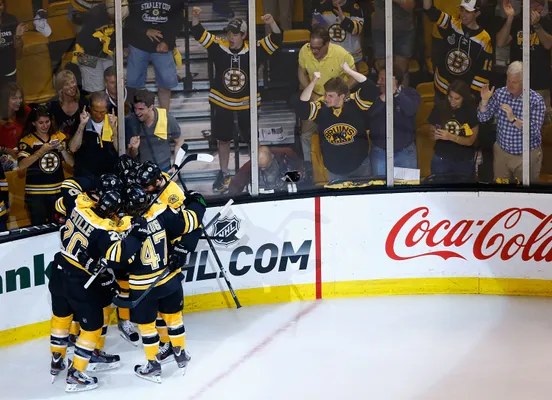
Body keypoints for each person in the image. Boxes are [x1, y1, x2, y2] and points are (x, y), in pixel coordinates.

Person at [55, 189, 148, 392]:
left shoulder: (80, 206)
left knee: (78, 315)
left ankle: (79, 357)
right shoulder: (103, 230)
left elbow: (68, 200)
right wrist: (137, 236)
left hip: (62, 270)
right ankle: (75, 375)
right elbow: (118, 254)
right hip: (79, 280)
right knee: (92, 327)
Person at [191, 8, 283, 193]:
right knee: (223, 140)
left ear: (244, 35)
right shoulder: (219, 47)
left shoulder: (255, 49)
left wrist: (272, 22)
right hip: (222, 102)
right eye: (229, 33)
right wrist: (195, 17)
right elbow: (198, 33)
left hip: (247, 103)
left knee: (252, 141)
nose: (231, 37)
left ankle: (258, 170)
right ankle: (224, 173)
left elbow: (277, 39)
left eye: (235, 34)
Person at [121, 185, 206, 383]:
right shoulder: (161, 212)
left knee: (147, 326)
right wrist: (196, 204)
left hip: (143, 286)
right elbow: (190, 223)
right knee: (174, 318)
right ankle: (180, 354)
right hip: (167, 278)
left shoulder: (124, 224)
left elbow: (119, 258)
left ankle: (152, 365)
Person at [292, 63, 379, 182]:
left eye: (330, 96)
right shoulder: (321, 108)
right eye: (326, 95)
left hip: (360, 166)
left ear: (342, 96)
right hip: (334, 169)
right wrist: (312, 83)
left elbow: (371, 88)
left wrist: (350, 71)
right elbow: (301, 109)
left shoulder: (355, 104)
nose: (326, 98)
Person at [297, 27, 356, 180]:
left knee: (339, 131)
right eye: (312, 47)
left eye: (318, 48)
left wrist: (340, 93)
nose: (314, 51)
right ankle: (309, 167)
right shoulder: (305, 50)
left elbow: (354, 76)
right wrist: (310, 92)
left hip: (336, 102)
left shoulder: (341, 54)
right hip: (316, 99)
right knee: (306, 134)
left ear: (327, 44)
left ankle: (343, 162)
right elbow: (301, 72)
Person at [477, 61, 545, 183]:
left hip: (526, 155)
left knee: (525, 194)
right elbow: (483, 118)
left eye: (514, 82)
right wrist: (484, 102)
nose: (509, 85)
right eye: (508, 81)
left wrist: (514, 119)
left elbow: (534, 131)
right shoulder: (500, 93)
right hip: (502, 153)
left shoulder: (536, 101)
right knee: (500, 190)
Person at [422, 0, 493, 100]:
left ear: (477, 13)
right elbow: (429, 10)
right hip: (442, 87)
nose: (463, 15)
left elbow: (483, 72)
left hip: (463, 95)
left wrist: (471, 96)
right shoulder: (452, 24)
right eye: (462, 10)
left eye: (467, 12)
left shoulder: (484, 39)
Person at [18, 106, 75, 225]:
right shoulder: (27, 140)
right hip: (36, 195)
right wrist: (41, 151)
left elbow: (71, 163)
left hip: (57, 192)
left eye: (47, 122)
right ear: (33, 123)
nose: (45, 126)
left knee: (60, 226)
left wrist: (63, 150)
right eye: (41, 123)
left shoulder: (59, 136)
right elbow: (22, 165)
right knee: (38, 229)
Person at [124, 0, 185, 110]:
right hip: (138, 42)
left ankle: (164, 118)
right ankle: (134, 118)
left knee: (165, 85)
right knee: (133, 85)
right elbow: (127, 19)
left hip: (162, 44)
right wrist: (144, 31)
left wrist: (167, 41)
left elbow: (178, 21)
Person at [496, 0, 552, 116]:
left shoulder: (547, 22)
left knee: (540, 126)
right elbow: (500, 42)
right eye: (526, 4)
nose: (526, 7)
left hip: (539, 82)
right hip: (517, 84)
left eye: (531, 4)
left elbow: (548, 44)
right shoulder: (517, 21)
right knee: (515, 121)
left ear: (540, 8)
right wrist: (510, 18)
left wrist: (536, 25)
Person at [369, 67, 420, 177]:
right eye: (379, 78)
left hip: (405, 152)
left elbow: (410, 110)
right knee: (379, 189)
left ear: (395, 81)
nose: (378, 82)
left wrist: (396, 93)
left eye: (382, 79)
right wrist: (384, 97)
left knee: (408, 188)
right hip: (380, 152)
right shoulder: (373, 94)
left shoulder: (411, 93)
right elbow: (369, 115)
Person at [73, 0, 129, 93]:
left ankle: (111, 105)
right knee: (96, 87)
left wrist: (124, 46)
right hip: (86, 53)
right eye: (114, 17)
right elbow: (87, 40)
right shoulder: (93, 16)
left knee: (112, 83)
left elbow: (123, 31)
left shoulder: (125, 11)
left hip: (105, 53)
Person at [428, 80, 479, 179]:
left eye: (457, 99)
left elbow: (470, 141)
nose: (452, 101)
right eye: (450, 97)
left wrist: (450, 137)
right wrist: (434, 135)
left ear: (463, 98)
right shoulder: (440, 107)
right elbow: (430, 133)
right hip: (441, 158)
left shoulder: (471, 111)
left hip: (463, 160)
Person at [125, 89, 183, 172]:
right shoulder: (131, 121)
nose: (137, 112)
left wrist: (176, 166)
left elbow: (180, 142)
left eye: (141, 109)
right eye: (135, 108)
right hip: (142, 170)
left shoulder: (167, 119)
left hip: (164, 168)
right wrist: (134, 149)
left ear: (151, 107)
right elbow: (130, 154)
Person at [69, 91, 118, 178]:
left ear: (107, 110)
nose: (99, 115)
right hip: (85, 176)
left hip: (109, 177)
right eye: (95, 111)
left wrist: (114, 128)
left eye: (102, 112)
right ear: (89, 108)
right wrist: (82, 125)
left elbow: (120, 150)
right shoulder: (80, 121)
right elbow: (73, 148)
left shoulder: (114, 122)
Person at [371, 0, 415, 86]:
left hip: (404, 30)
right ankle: (383, 97)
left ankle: (401, 97)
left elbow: (410, 5)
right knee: (382, 69)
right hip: (381, 30)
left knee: (402, 70)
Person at [229, 146, 303, 195]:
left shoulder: (285, 154)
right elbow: (236, 182)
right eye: (260, 167)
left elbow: (300, 167)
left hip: (285, 192)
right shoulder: (250, 165)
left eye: (265, 166)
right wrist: (233, 195)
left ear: (272, 157)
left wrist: (298, 175)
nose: (263, 169)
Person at [312, 0, 364, 65]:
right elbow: (317, 32)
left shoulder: (354, 8)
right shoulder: (322, 6)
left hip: (351, 56)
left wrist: (344, 19)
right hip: (329, 56)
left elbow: (358, 30)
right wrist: (316, 26)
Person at [47, 70, 89, 138]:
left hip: (81, 142)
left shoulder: (83, 101)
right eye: (67, 84)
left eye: (73, 82)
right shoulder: (52, 105)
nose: (72, 86)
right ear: (60, 88)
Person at [0, 0, 27, 91]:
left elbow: (19, 55)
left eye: (0, 4)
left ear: (3, 5)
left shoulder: (11, 20)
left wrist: (18, 37)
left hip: (9, 70)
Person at [0, 82, 30, 161]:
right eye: (14, 98)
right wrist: (6, 150)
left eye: (20, 98)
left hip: (23, 155)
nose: (18, 101)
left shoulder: (25, 111)